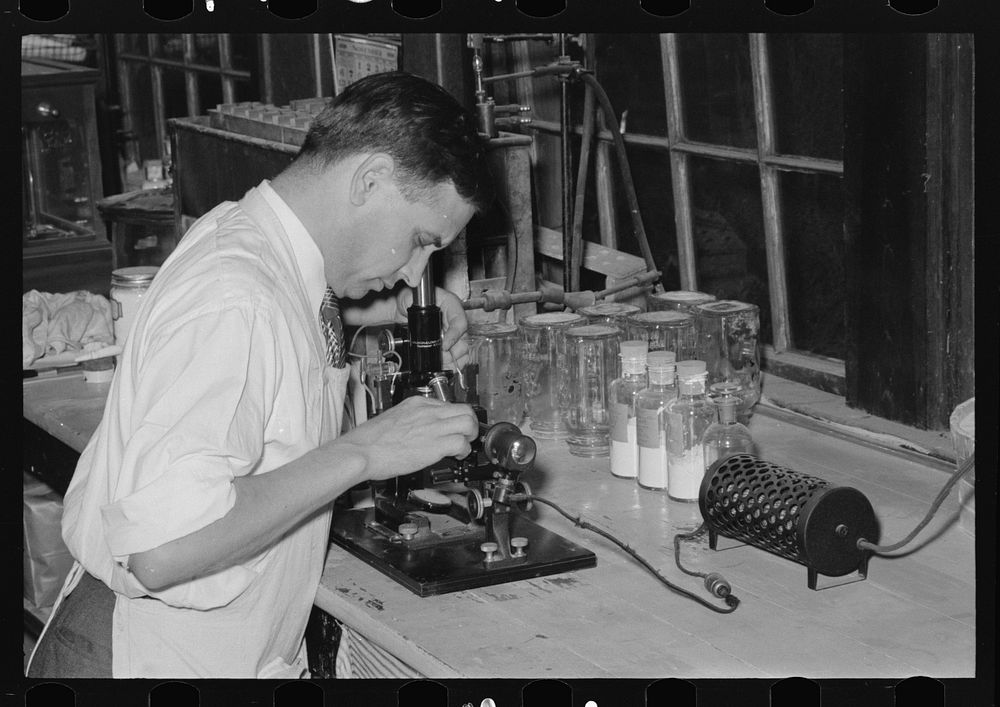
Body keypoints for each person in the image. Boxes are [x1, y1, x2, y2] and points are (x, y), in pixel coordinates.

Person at [27, 71, 493, 679]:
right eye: (419, 241)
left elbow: (287, 322)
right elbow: (162, 549)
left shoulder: (256, 243)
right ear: (370, 179)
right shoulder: (235, 297)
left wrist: (382, 310)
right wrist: (365, 453)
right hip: (148, 657)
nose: (414, 274)